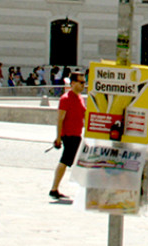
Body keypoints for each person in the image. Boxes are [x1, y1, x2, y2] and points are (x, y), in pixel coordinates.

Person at [49, 72, 87, 200]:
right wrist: (58, 138)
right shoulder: (65, 99)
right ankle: (54, 189)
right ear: (73, 83)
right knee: (65, 161)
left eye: (84, 82)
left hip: (77, 135)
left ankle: (56, 188)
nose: (83, 85)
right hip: (69, 135)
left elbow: (84, 115)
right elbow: (60, 119)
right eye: (81, 82)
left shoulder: (80, 97)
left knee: (72, 161)